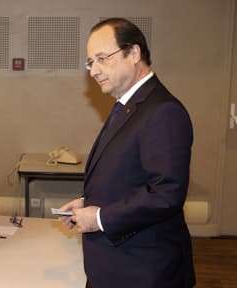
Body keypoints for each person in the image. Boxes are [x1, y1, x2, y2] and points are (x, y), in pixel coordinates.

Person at [59, 18, 195, 288]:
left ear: (133, 53)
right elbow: (131, 177)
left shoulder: (162, 111)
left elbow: (166, 193)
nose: (94, 71)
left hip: (144, 271)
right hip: (119, 266)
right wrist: (89, 201)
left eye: (102, 59)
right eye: (90, 63)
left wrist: (99, 218)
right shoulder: (130, 105)